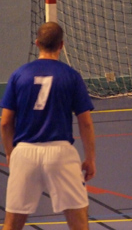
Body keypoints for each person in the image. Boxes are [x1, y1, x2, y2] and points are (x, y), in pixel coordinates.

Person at [1, 22, 96, 230]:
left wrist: (10, 153)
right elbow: (86, 123)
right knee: (79, 223)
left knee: (12, 224)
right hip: (61, 154)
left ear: (37, 43)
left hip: (24, 153)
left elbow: (6, 122)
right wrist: (90, 158)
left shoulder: (19, 75)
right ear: (61, 45)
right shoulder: (71, 75)